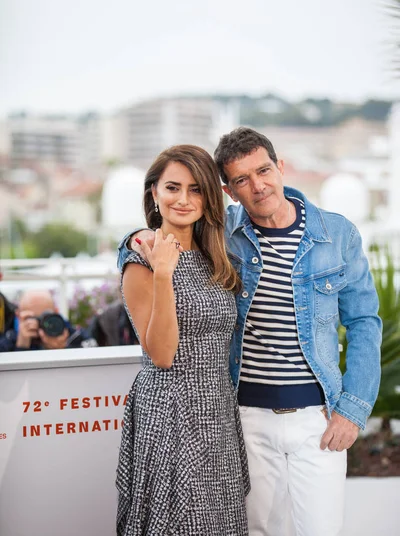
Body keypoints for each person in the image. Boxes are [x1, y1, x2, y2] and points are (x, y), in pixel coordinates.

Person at [118, 127, 382, 536]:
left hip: (317, 417)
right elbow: (168, 233)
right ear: (228, 190)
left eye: (263, 170)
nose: (257, 186)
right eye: (242, 179)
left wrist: (353, 408)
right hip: (243, 416)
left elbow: (364, 322)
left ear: (280, 166)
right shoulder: (224, 236)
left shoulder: (337, 234)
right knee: (256, 529)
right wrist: (138, 238)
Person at [116, 144, 250, 536]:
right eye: (172, 187)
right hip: (170, 410)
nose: (183, 199)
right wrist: (162, 274)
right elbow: (160, 353)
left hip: (218, 409)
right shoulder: (141, 256)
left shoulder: (216, 257)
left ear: (210, 198)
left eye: (196, 189)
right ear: (153, 192)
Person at [0, 289, 97, 351]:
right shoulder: (9, 339)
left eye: (45, 318)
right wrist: (21, 346)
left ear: (56, 312)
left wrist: (64, 351)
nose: (39, 325)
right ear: (18, 315)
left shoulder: (73, 335)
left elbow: (94, 354)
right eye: (32, 319)